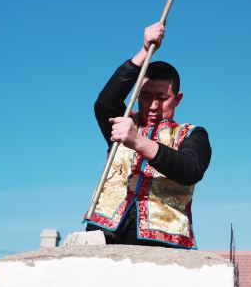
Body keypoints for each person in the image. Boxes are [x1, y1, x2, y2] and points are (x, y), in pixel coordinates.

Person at [84, 22, 212, 249]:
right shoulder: (123, 124)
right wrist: (144, 50)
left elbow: (191, 169)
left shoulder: (193, 134)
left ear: (178, 99)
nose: (153, 105)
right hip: (104, 233)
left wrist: (138, 142)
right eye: (145, 96)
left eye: (162, 98)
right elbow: (105, 103)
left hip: (162, 241)